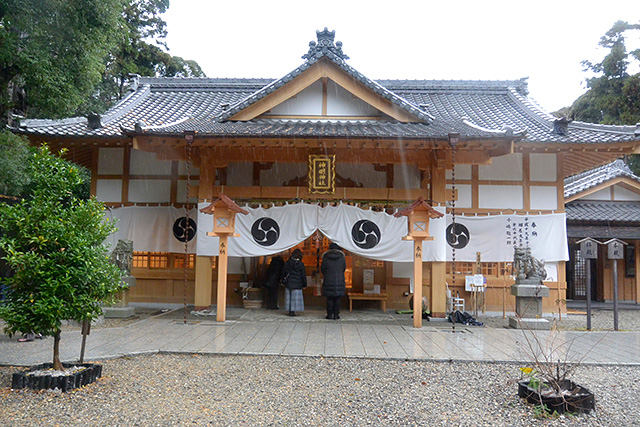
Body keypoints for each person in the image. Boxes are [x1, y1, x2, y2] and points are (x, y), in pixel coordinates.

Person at [321, 242, 346, 320]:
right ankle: (336, 315)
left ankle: (329, 314)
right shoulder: (341, 258)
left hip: (328, 280)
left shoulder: (325, 257)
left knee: (330, 298)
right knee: (337, 298)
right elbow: (344, 268)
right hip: (339, 280)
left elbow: (322, 269)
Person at [282, 249, 307, 316]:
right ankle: (294, 310)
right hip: (297, 283)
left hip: (289, 282)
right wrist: (304, 284)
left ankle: (290, 310)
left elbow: (284, 273)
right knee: (295, 298)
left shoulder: (287, 263)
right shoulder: (301, 264)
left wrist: (283, 281)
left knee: (289, 297)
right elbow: (303, 275)